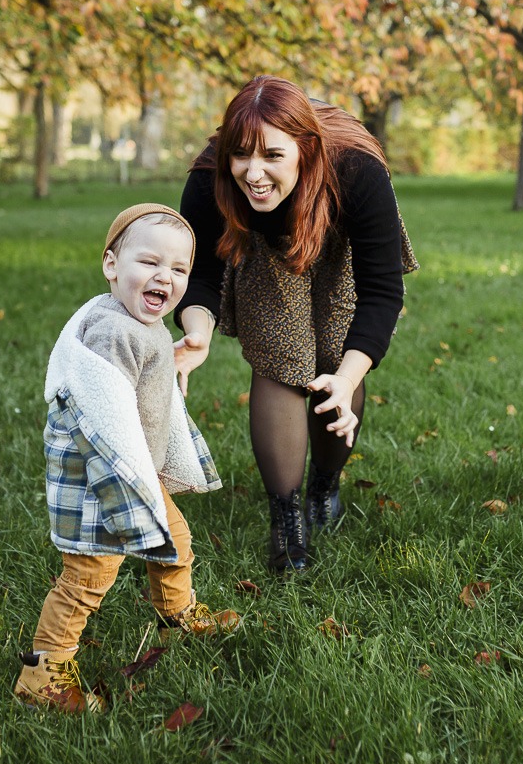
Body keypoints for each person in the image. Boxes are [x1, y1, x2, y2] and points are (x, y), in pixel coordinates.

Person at [175, 75, 418, 574]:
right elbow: (197, 274)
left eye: (272, 156)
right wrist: (197, 333)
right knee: (279, 356)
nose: (253, 172)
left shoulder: (357, 171)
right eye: (241, 154)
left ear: (305, 150)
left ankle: (323, 488)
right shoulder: (211, 178)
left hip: (333, 222)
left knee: (334, 357)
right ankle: (287, 520)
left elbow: (381, 293)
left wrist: (348, 377)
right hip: (263, 251)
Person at [15, 204, 234, 714]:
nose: (165, 276)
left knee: (175, 539)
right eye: (149, 262)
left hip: (134, 469)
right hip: (104, 476)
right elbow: (103, 416)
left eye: (179, 269)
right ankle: (42, 675)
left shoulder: (139, 322)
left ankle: (175, 614)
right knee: (88, 577)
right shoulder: (114, 332)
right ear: (112, 265)